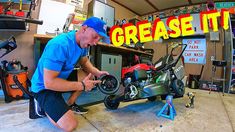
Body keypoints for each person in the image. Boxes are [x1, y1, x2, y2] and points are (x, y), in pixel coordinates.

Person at [31, 17, 109, 131]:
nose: (95, 43)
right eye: (95, 36)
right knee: (70, 125)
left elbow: (84, 61)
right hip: (44, 87)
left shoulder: (82, 43)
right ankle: (41, 104)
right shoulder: (60, 45)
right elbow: (49, 83)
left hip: (60, 78)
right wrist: (82, 85)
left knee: (89, 74)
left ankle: (70, 104)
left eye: (99, 39)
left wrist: (97, 72)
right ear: (84, 29)